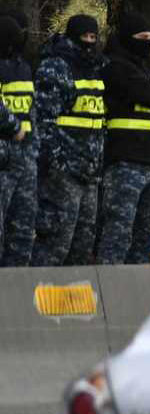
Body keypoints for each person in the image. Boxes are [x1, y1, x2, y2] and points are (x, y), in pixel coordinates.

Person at [96, 12, 150, 264]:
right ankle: (107, 290)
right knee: (117, 233)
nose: (147, 43)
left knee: (147, 234)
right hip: (125, 162)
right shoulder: (115, 67)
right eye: (142, 38)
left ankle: (133, 293)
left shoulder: (146, 70)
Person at [32, 14, 106, 265]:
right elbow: (43, 121)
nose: (89, 42)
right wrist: (55, 163)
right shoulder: (56, 67)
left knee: (81, 247)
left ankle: (72, 303)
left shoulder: (96, 67)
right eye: (85, 37)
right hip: (63, 173)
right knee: (54, 245)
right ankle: (38, 300)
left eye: (93, 37)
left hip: (90, 174)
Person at [0, 16, 34, 267]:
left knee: (22, 230)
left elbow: (32, 111)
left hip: (25, 157)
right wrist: (13, 128)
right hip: (4, 154)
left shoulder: (23, 67)